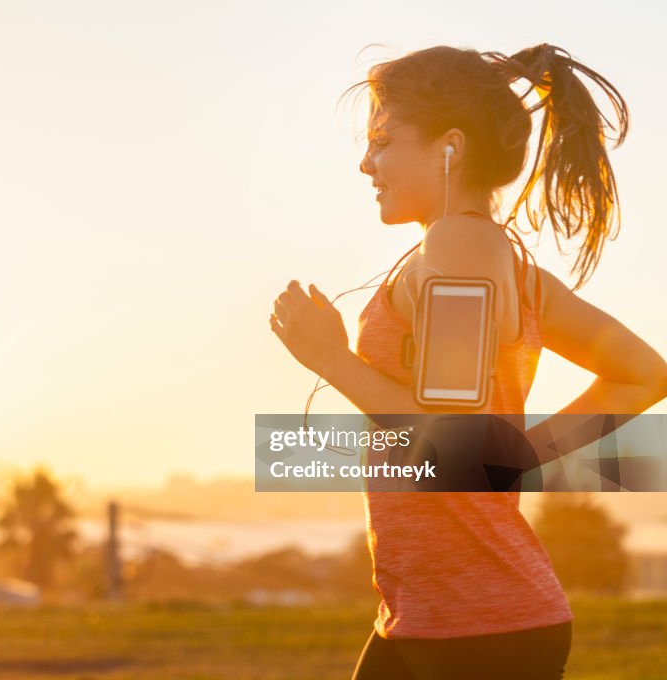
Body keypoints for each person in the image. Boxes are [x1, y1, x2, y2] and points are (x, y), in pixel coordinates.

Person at [269, 44, 667, 680]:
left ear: (450, 147)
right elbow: (642, 373)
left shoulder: (455, 244)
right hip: (439, 615)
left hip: (477, 626)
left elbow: (454, 450)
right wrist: (519, 458)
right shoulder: (514, 270)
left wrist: (330, 359)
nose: (365, 162)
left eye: (382, 139)